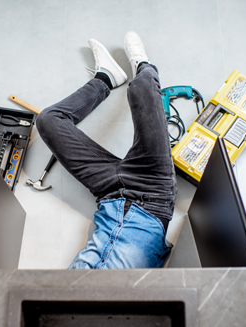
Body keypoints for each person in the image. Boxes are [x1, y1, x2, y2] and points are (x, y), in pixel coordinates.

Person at [36, 31, 177, 269]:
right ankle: (142, 64)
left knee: (48, 120)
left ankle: (105, 78)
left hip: (108, 192)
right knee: (142, 86)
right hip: (152, 193)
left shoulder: (65, 294)